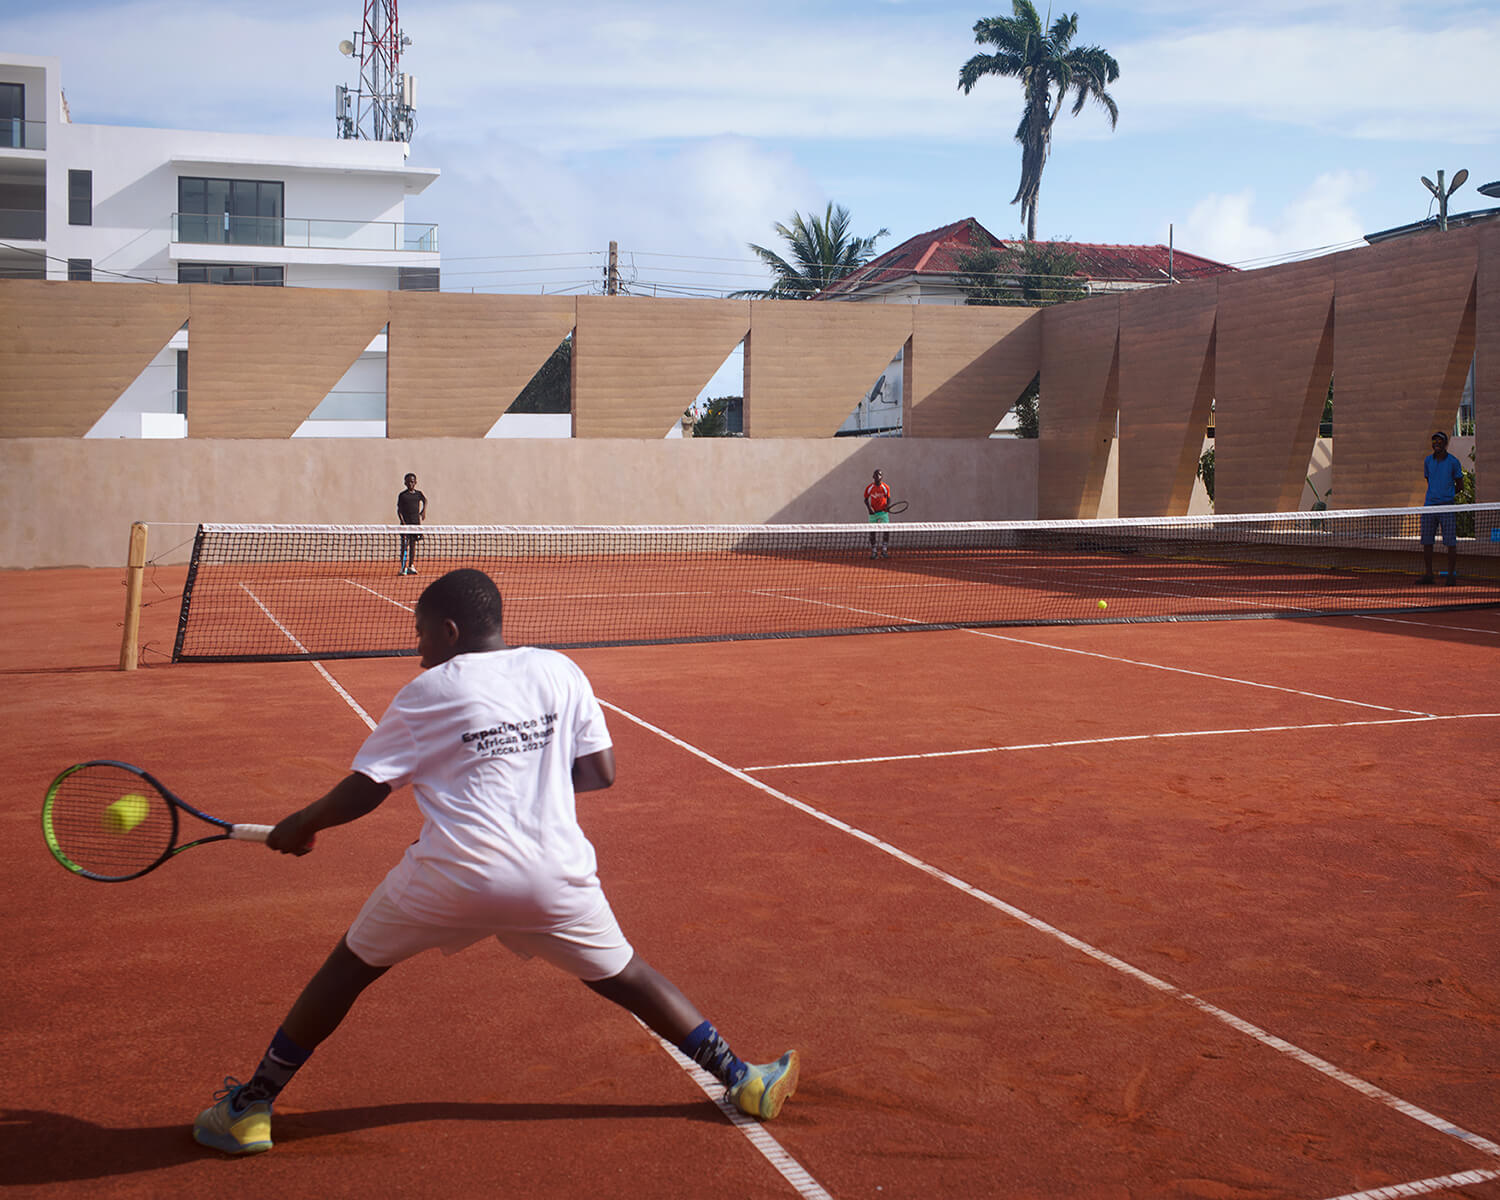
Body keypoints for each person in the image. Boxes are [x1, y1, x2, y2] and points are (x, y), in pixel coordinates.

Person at [191, 569, 798, 1156]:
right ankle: (742, 1077)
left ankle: (251, 1108)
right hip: (555, 878)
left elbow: (368, 788)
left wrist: (302, 825)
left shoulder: (429, 690)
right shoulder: (559, 669)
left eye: (422, 632)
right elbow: (600, 772)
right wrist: (522, 774)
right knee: (629, 977)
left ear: (451, 631)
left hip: (452, 876)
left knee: (344, 972)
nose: (418, 648)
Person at [1420, 430, 1464, 585]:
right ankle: (1428, 575)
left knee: (1450, 542)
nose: (1436, 444)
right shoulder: (1427, 461)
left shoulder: (1453, 462)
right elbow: (1428, 479)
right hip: (1429, 507)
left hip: (1447, 507)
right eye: (1434, 441)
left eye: (1439, 441)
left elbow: (1460, 485)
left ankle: (1451, 575)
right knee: (1427, 541)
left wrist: (1447, 494)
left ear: (1445, 444)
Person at [396, 473, 426, 576]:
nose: (410, 483)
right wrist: (403, 521)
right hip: (405, 525)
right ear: (405, 483)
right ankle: (403, 567)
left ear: (415, 482)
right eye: (408, 482)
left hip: (415, 524)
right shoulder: (402, 495)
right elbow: (399, 510)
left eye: (412, 482)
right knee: (404, 545)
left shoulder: (418, 494)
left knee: (413, 545)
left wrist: (423, 511)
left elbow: (425, 500)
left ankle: (411, 566)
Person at [864, 468, 891, 558]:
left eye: (879, 475)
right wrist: (869, 509)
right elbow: (866, 499)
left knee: (886, 531)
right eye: (876, 475)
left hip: (883, 513)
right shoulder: (869, 488)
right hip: (873, 514)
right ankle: (874, 551)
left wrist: (887, 506)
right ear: (873, 476)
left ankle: (884, 550)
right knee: (872, 532)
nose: (877, 476)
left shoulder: (885, 487)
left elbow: (888, 498)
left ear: (882, 477)